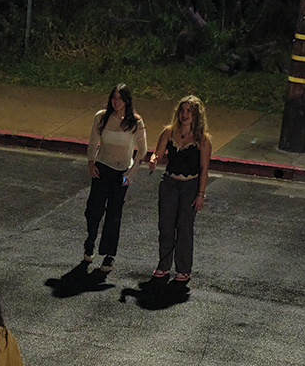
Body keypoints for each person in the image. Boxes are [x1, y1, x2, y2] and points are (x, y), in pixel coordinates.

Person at [83, 83, 147, 273]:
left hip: (122, 173)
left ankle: (109, 255)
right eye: (114, 97)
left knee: (114, 214)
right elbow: (94, 141)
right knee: (94, 209)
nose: (116, 101)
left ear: (127, 101)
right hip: (102, 168)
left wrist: (130, 174)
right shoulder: (101, 117)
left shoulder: (135, 122)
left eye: (120, 98)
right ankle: (90, 241)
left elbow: (142, 151)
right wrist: (91, 162)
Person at [149, 95, 213, 283]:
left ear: (196, 115)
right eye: (182, 110)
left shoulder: (203, 139)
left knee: (184, 227)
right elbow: (158, 153)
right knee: (166, 225)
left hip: (190, 186)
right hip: (170, 183)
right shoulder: (169, 132)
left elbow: (204, 169)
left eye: (189, 111)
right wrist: (154, 160)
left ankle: (183, 269)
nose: (184, 115)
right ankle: (164, 265)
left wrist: (201, 194)